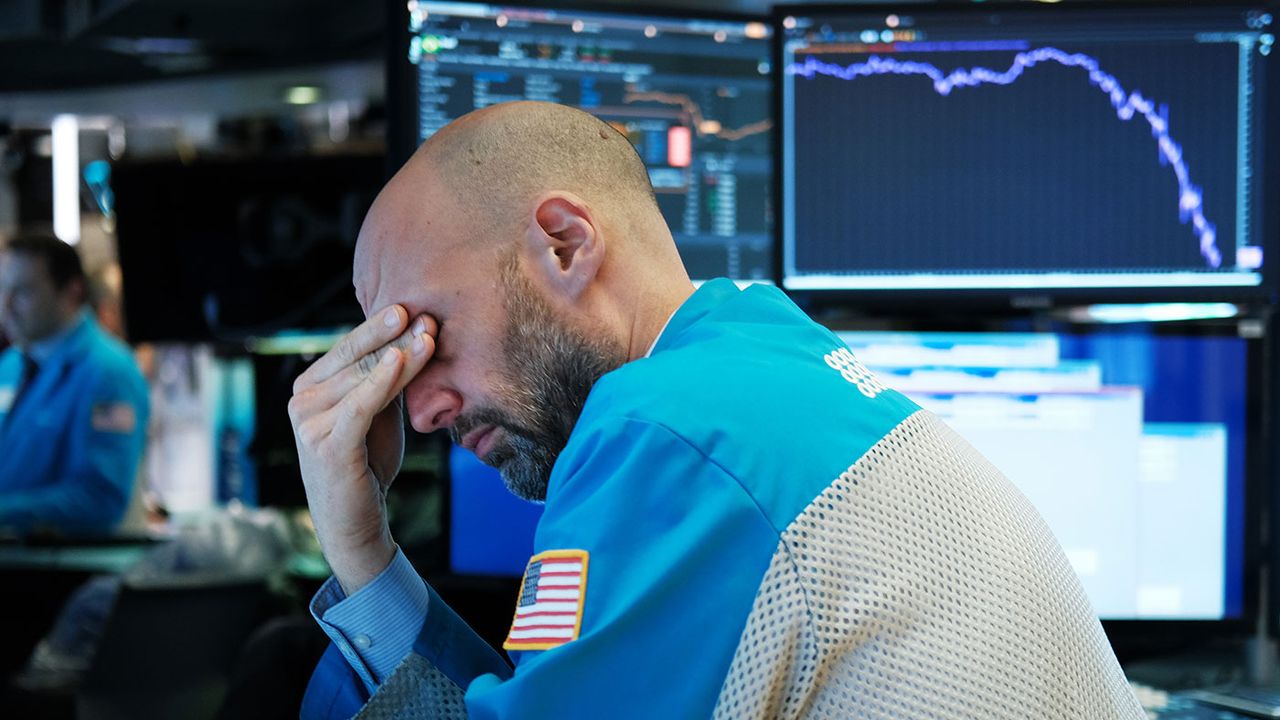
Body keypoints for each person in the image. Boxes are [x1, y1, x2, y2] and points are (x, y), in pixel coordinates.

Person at [290, 101, 1145, 718]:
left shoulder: (668, 430)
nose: (423, 410)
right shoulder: (762, 348)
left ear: (565, 244)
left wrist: (357, 550)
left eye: (427, 336)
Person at [0, 232, 149, 535]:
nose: (7, 305)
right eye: (3, 289)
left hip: (68, 571)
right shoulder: (11, 365)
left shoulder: (109, 372)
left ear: (72, 290)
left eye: (24, 291)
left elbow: (99, 499)